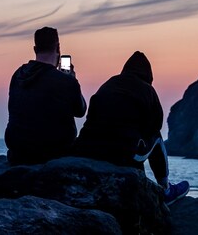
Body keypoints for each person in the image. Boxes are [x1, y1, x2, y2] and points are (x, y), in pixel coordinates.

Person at [74, 51, 190, 205]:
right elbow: (155, 126)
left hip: (88, 148)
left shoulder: (108, 84)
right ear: (149, 76)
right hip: (121, 151)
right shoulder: (147, 90)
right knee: (156, 138)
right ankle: (166, 189)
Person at [4, 27, 87, 165]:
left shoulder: (18, 74)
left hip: (18, 150)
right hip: (52, 152)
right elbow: (80, 111)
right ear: (58, 48)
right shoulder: (65, 81)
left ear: (35, 49)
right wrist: (73, 80)